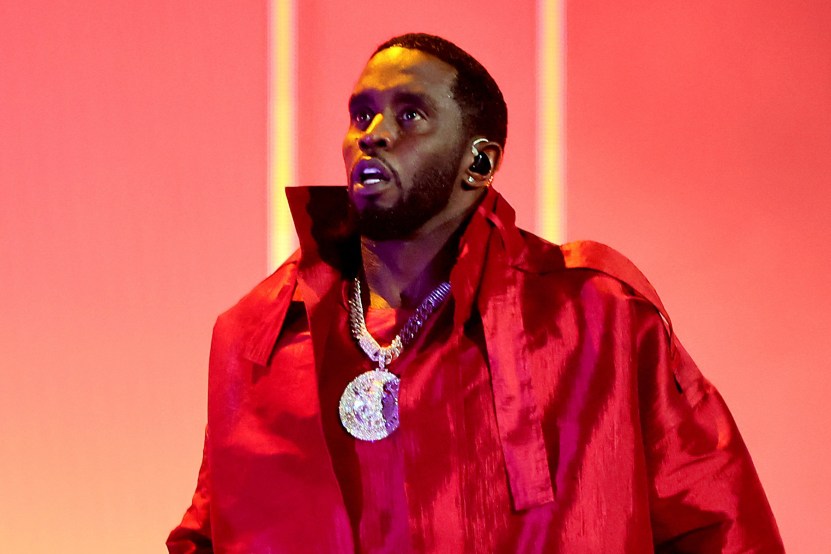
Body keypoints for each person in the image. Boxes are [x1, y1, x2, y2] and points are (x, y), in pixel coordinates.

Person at [168, 33, 783, 553]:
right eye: (362, 115)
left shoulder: (598, 317)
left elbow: (723, 527)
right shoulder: (260, 334)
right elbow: (206, 536)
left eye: (409, 115)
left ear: (479, 163)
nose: (372, 135)